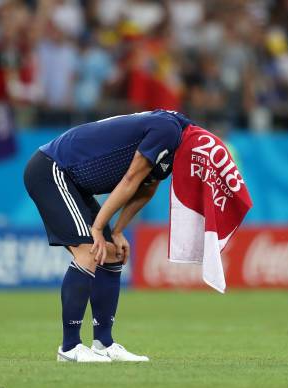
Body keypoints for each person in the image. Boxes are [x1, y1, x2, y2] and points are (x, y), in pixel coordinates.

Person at [24, 109, 191, 362]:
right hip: (51, 169)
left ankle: (103, 343)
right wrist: (98, 228)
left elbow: (147, 188)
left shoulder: (173, 139)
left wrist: (118, 230)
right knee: (89, 251)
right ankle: (69, 348)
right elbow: (130, 178)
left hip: (74, 180)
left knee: (112, 253)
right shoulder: (168, 131)